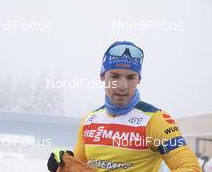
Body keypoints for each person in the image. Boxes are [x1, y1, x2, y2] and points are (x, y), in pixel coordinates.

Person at [47, 40, 202, 172]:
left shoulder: (156, 120)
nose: (122, 85)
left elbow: (190, 167)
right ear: (102, 76)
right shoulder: (89, 121)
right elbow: (80, 166)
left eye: (130, 77)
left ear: (139, 79)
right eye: (114, 76)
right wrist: (64, 164)